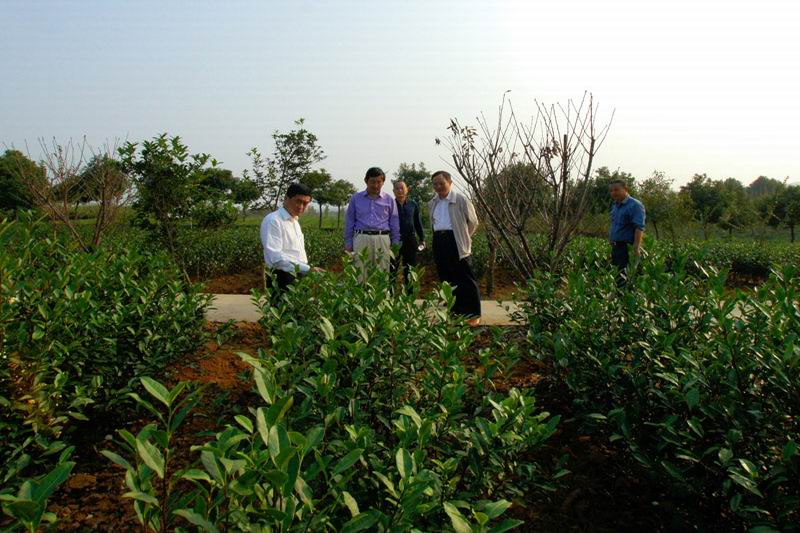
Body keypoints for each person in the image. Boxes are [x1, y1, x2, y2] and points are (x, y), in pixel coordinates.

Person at [428, 170, 481, 326]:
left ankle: (473, 314)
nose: (438, 187)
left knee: (466, 279)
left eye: (441, 183)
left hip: (457, 242)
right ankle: (454, 313)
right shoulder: (432, 202)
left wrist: (463, 237)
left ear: (450, 183)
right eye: (435, 184)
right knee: (447, 279)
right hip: (439, 241)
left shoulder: (461, 200)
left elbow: (473, 223)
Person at [260, 183, 321, 294]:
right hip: (282, 278)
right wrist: (308, 269)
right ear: (286, 198)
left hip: (299, 275)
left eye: (305, 203)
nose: (301, 206)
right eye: (298, 201)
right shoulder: (273, 221)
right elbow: (276, 259)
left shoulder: (294, 221)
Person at [344, 167, 401, 276]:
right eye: (372, 182)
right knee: (360, 274)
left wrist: (395, 242)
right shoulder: (356, 198)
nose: (375, 185)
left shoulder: (389, 199)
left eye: (379, 182)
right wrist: (348, 243)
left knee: (382, 274)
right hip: (361, 238)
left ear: (383, 182)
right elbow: (349, 221)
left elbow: (394, 223)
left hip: (382, 239)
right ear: (366, 181)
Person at [609, 179, 646, 285]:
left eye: (616, 190)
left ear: (625, 189)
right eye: (611, 190)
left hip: (627, 247)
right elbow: (614, 224)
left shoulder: (635, 205)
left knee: (625, 278)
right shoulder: (615, 206)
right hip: (616, 247)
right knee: (617, 276)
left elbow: (639, 227)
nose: (613, 193)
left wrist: (636, 248)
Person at [391, 180, 425, 291]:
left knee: (410, 269)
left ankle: (409, 296)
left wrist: (422, 238)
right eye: (397, 188)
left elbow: (418, 223)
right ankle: (390, 295)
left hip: (410, 240)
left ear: (407, 190)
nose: (400, 190)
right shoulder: (390, 205)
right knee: (392, 269)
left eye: (402, 188)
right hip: (394, 241)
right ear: (393, 191)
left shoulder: (413, 204)